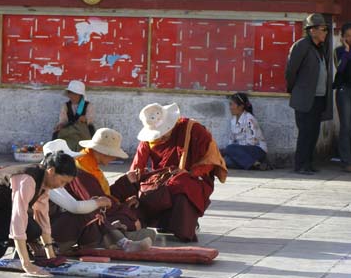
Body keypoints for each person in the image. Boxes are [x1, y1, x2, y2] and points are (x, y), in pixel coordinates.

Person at [0, 152, 77, 277]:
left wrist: (51, 255)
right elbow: (18, 219)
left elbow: (42, 217)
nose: (62, 186)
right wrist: (26, 265)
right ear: (51, 171)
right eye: (62, 181)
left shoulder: (43, 182)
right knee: (31, 229)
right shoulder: (27, 179)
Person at [130, 103, 227, 242]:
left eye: (163, 132)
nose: (161, 138)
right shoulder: (149, 140)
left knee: (181, 185)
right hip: (162, 178)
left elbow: (210, 159)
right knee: (146, 190)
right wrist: (131, 185)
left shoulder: (192, 129)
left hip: (191, 176)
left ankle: (184, 226)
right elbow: (136, 166)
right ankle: (160, 223)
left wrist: (189, 173)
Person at [44, 139, 154, 253]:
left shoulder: (58, 176)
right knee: (91, 211)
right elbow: (75, 207)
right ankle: (121, 241)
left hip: (58, 228)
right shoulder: (49, 179)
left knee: (95, 212)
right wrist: (100, 203)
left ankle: (119, 240)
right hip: (46, 238)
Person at [285, 13, 333, 175]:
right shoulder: (301, 46)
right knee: (305, 132)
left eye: (326, 29)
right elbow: (291, 71)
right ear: (312, 30)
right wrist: (296, 89)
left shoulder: (320, 48)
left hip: (319, 98)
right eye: (323, 29)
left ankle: (309, 163)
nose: (325, 32)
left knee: (313, 133)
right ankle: (300, 165)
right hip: (305, 97)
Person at [221, 92, 269, 170]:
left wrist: (231, 149)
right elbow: (231, 140)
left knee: (230, 148)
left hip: (256, 150)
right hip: (242, 152)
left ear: (241, 106)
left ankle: (254, 162)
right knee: (226, 161)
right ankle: (256, 164)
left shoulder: (249, 119)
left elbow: (251, 142)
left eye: (232, 104)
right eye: (230, 104)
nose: (230, 107)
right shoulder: (233, 120)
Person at [52, 80, 95, 151]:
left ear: (80, 95)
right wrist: (60, 125)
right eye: (70, 93)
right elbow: (63, 120)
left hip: (84, 130)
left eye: (75, 94)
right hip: (70, 129)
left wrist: (85, 119)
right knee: (56, 133)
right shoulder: (65, 106)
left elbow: (90, 119)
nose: (72, 96)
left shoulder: (88, 105)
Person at [334, 22, 351, 173]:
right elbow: (340, 68)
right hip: (344, 91)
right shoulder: (339, 51)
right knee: (346, 126)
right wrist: (346, 51)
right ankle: (346, 160)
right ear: (343, 37)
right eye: (348, 36)